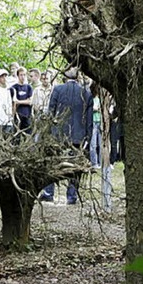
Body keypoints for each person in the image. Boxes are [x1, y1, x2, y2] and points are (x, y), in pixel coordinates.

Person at [41, 66, 93, 205]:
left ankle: (48, 192)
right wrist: (88, 136)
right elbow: (89, 119)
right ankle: (72, 195)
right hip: (78, 135)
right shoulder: (86, 92)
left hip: (59, 134)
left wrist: (48, 132)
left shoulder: (58, 89)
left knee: (53, 163)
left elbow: (50, 113)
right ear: (78, 77)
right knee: (75, 165)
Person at [11, 66, 33, 133]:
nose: (23, 77)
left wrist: (19, 102)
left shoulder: (29, 87)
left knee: (28, 134)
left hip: (27, 115)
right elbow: (13, 103)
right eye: (21, 75)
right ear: (17, 76)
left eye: (24, 75)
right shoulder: (13, 88)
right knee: (16, 136)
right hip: (17, 116)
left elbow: (30, 101)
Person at [90, 82, 103, 167]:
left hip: (100, 122)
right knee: (93, 144)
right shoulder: (91, 98)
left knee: (101, 143)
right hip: (93, 121)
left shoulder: (102, 99)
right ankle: (94, 162)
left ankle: (101, 162)